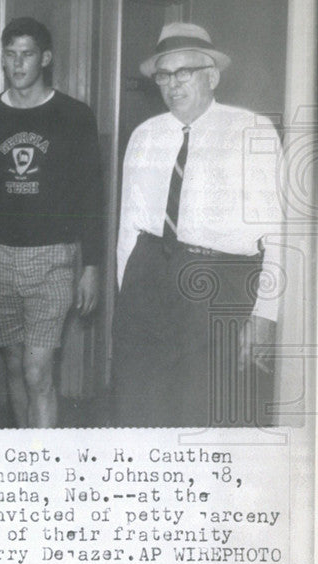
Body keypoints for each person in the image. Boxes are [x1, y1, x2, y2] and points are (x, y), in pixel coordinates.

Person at [113, 22, 282, 428]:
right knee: (143, 409)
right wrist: (128, 297)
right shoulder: (144, 136)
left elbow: (278, 233)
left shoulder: (251, 130)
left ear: (212, 76)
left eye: (183, 72)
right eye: (164, 75)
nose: (173, 84)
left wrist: (265, 315)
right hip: (149, 277)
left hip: (219, 282)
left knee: (206, 412)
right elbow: (128, 226)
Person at [0, 17, 103, 428]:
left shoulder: (74, 115)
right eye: (10, 54)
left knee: (38, 372)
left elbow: (92, 194)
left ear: (46, 58)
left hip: (53, 257)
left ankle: (45, 470)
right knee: (15, 367)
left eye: (27, 54)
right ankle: (25, 457)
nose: (18, 64)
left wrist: (92, 265)